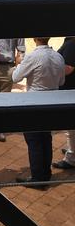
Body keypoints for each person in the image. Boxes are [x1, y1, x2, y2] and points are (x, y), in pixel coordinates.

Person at [12, 37, 65, 187]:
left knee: (34, 140)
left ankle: (37, 178)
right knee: (46, 138)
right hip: (52, 104)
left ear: (34, 39)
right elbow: (61, 82)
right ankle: (45, 174)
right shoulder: (58, 56)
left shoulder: (33, 56)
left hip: (34, 104)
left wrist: (19, 64)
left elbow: (15, 77)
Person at [52, 35, 75, 171]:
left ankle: (71, 158)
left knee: (71, 129)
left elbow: (69, 68)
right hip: (70, 90)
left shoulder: (72, 43)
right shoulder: (70, 41)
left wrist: (51, 70)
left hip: (70, 91)